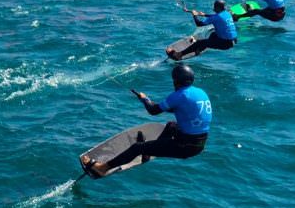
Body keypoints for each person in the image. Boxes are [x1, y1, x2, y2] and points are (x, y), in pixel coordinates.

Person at [81, 64, 211, 178]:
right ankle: (148, 153)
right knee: (171, 125)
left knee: (137, 148)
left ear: (175, 81)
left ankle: (102, 168)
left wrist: (145, 99)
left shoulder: (180, 95)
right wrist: (153, 104)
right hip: (199, 143)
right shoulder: (200, 92)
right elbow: (182, 110)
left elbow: (153, 111)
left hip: (185, 147)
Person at [168, 0, 238, 59]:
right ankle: (200, 48)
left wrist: (194, 15)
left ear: (218, 7)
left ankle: (179, 54)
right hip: (234, 40)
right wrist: (204, 14)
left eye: (214, 6)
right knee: (213, 33)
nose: (213, 8)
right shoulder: (227, 13)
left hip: (225, 44)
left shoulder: (215, 17)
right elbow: (217, 16)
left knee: (200, 42)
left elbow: (199, 24)